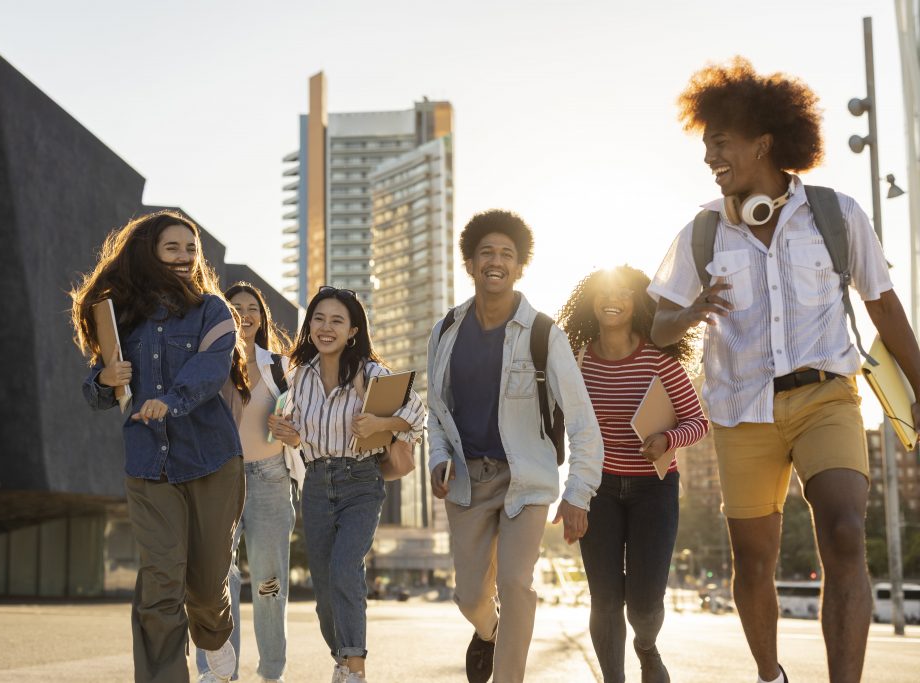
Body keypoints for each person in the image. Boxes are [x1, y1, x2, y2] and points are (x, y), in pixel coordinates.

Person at [649, 58, 920, 683]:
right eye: (706, 144)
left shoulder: (836, 213)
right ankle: (771, 675)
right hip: (742, 411)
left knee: (846, 531)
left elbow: (884, 304)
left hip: (827, 397)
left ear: (763, 141)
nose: (710, 156)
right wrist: (691, 311)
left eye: (720, 142)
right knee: (752, 558)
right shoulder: (703, 232)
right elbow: (658, 328)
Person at [427, 209, 604, 683]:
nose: (496, 261)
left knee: (515, 583)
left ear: (520, 266)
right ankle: (488, 632)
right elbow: (437, 411)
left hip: (527, 479)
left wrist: (578, 492)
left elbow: (584, 423)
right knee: (469, 597)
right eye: (486, 252)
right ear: (470, 262)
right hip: (468, 479)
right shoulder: (446, 331)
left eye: (507, 253)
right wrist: (439, 458)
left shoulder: (545, 333)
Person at [71, 210, 247, 682]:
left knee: (207, 590)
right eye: (173, 249)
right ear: (149, 252)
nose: (186, 258)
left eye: (191, 250)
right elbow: (96, 388)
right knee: (162, 586)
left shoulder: (213, 310)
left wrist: (170, 401)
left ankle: (214, 635)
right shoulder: (120, 315)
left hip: (212, 461)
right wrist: (105, 379)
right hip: (150, 467)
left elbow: (210, 371)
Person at [268, 286, 426, 683]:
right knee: (323, 590)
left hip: (361, 481)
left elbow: (418, 414)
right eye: (319, 319)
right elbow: (300, 434)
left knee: (344, 569)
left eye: (337, 320)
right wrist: (287, 432)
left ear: (353, 330)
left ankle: (355, 670)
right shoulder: (298, 375)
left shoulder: (371, 373)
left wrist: (381, 424)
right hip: (317, 483)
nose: (326, 327)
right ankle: (341, 658)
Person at [558, 265, 707, 683]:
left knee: (643, 605)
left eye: (625, 291)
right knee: (605, 600)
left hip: (653, 490)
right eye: (607, 290)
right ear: (591, 301)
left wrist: (667, 438)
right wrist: (570, 492)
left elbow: (698, 421)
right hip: (598, 488)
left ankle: (646, 646)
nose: (614, 297)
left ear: (637, 302)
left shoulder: (660, 361)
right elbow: (560, 422)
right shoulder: (579, 362)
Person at [194, 282, 295, 683]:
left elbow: (300, 421)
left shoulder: (280, 366)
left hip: (270, 479)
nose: (244, 313)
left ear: (262, 316)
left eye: (252, 307)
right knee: (219, 580)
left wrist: (288, 426)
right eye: (234, 307)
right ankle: (217, 673)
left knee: (270, 583)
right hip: (222, 479)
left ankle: (272, 672)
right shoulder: (210, 363)